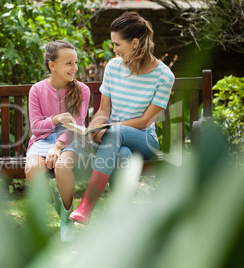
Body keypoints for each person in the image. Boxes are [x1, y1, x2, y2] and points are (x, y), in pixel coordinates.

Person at [69, 11, 175, 225]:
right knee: (123, 154)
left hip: (145, 140)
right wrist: (97, 126)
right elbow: (103, 111)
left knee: (116, 134)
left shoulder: (164, 76)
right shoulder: (113, 67)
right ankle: (120, 219)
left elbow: (145, 121)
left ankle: (87, 205)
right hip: (114, 140)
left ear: (135, 43)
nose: (114, 50)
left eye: (117, 44)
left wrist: (109, 128)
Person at [24, 40, 90, 242]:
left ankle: (67, 219)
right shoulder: (36, 90)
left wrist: (58, 145)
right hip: (41, 140)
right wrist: (55, 119)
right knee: (32, 170)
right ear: (52, 65)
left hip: (71, 139)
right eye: (68, 63)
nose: (75, 68)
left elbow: (77, 127)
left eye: (75, 62)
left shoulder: (82, 90)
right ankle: (60, 210)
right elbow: (36, 127)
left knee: (62, 166)